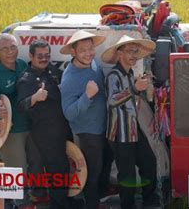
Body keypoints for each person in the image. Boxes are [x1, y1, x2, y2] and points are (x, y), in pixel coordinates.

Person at [101, 35, 159, 209]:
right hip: (120, 132)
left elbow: (126, 99)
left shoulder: (130, 73)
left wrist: (138, 93)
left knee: (149, 163)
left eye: (136, 51)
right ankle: (128, 206)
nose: (134, 55)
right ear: (119, 54)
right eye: (130, 51)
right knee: (127, 176)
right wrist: (135, 89)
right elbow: (112, 101)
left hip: (132, 128)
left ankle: (150, 202)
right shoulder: (113, 75)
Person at [17, 39, 72, 209]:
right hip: (45, 134)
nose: (43, 58)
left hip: (61, 129)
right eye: (39, 56)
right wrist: (34, 98)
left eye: (47, 55)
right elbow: (21, 105)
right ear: (31, 56)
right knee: (56, 171)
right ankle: (58, 205)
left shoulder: (52, 70)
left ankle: (63, 202)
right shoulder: (26, 79)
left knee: (62, 169)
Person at [0, 33, 34, 208]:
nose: (10, 52)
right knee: (17, 172)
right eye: (5, 49)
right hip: (11, 131)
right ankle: (20, 204)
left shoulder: (21, 65)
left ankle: (32, 200)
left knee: (33, 166)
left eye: (13, 47)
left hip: (31, 125)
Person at [59, 30, 107, 209]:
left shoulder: (93, 64)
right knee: (91, 175)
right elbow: (69, 113)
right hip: (87, 133)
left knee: (101, 168)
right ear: (73, 52)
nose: (88, 53)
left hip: (102, 127)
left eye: (90, 49)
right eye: (83, 50)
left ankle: (99, 201)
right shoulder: (70, 78)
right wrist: (87, 96)